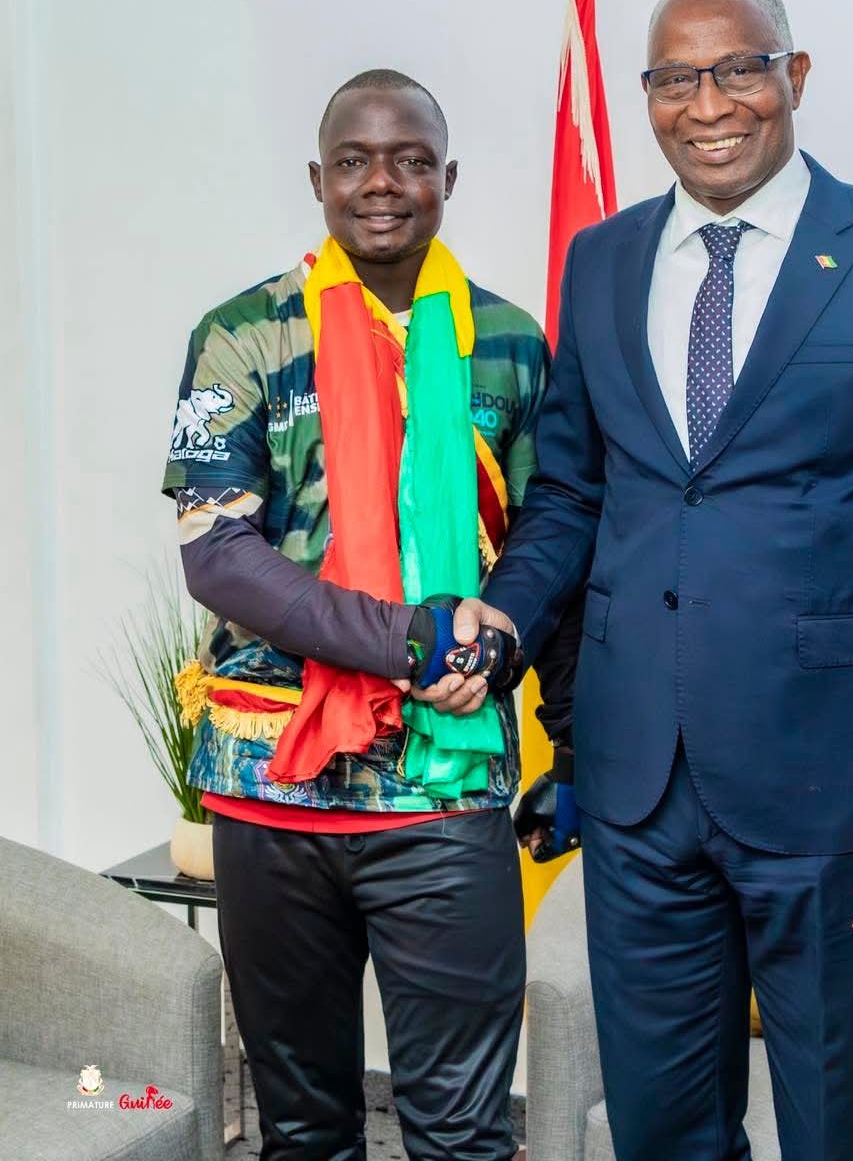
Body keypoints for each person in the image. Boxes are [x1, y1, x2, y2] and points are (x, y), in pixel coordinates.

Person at [454, 0, 853, 1161]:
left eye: (737, 70)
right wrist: (503, 616)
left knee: (835, 1135)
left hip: (832, 801)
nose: (706, 105)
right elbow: (572, 493)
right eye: (674, 79)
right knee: (661, 1132)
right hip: (636, 789)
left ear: (792, 76)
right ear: (646, 95)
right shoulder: (602, 261)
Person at [162, 69, 569, 1161]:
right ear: (317, 179)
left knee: (463, 1136)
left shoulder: (510, 343)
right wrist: (408, 640)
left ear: (448, 179)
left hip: (445, 791)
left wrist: (564, 734)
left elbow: (554, 545)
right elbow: (220, 558)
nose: (381, 183)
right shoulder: (242, 334)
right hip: (272, 789)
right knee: (303, 1133)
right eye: (354, 161)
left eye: (410, 160)